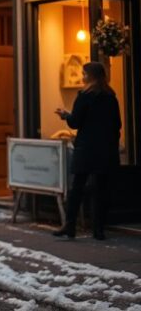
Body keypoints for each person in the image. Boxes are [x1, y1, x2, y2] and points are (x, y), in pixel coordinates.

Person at [54, 62, 122, 240]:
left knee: (77, 187)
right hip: (105, 149)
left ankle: (70, 226)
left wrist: (65, 115)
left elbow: (75, 122)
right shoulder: (111, 97)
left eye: (84, 74)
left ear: (90, 76)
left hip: (86, 147)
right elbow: (118, 124)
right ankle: (98, 229)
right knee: (101, 189)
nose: (82, 77)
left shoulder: (84, 96)